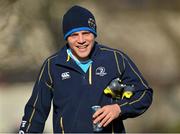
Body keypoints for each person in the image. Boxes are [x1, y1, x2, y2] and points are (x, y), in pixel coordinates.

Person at [19, 5, 153, 133]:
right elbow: (35, 112)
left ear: (94, 34)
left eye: (86, 33)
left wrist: (119, 108)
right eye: (74, 35)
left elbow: (144, 94)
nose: (81, 40)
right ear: (67, 38)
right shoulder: (52, 65)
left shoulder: (115, 59)